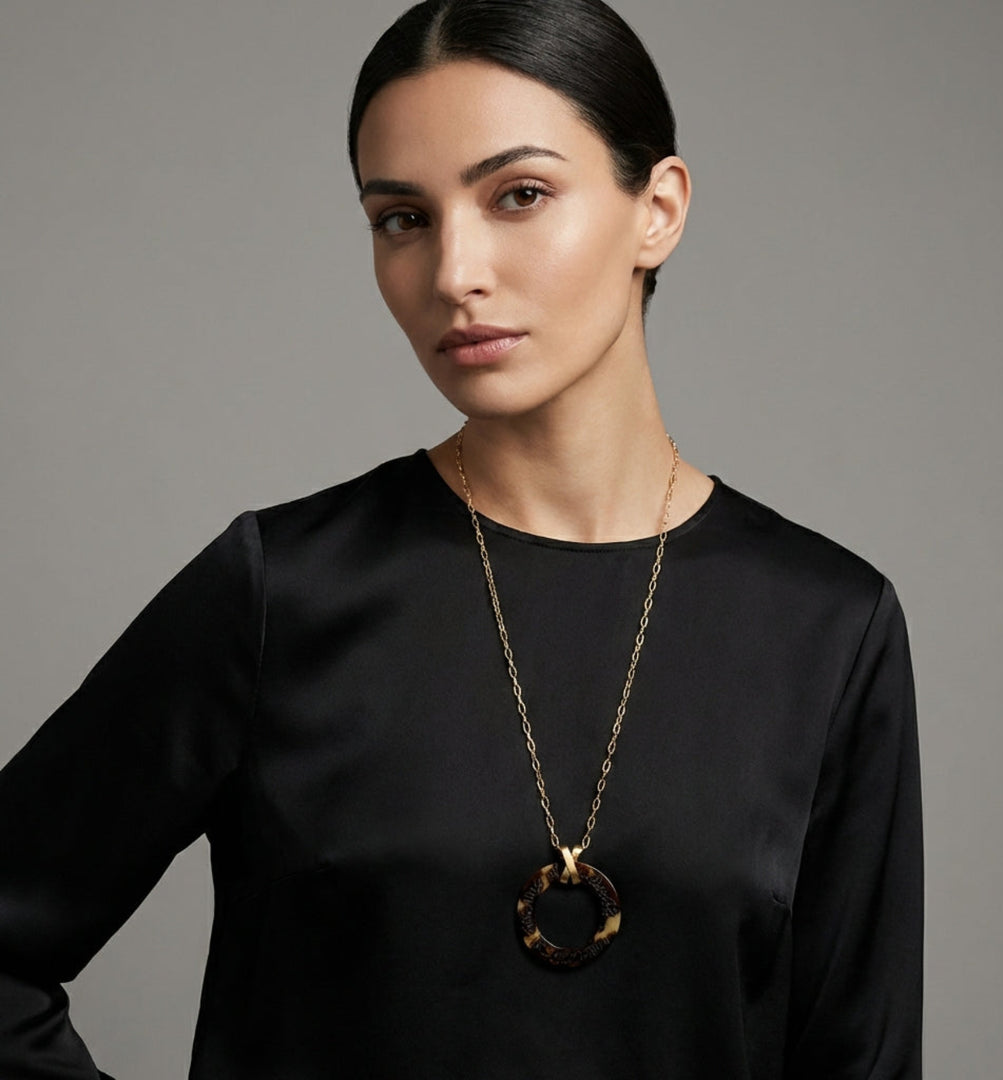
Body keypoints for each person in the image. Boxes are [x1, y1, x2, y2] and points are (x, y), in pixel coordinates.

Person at [0, 0, 922, 1076]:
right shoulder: (284, 590)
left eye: (519, 195)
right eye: (403, 218)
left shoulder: (826, 624)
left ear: (656, 210)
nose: (452, 272)